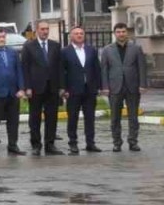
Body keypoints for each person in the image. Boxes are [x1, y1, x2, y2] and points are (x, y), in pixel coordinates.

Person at [100, 22, 149, 152]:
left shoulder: (136, 48)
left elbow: (142, 67)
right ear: (114, 34)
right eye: (118, 32)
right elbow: (104, 70)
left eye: (123, 31)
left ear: (127, 33)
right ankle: (117, 142)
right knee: (115, 117)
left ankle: (133, 142)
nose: (121, 34)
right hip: (114, 87)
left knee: (133, 116)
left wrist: (143, 84)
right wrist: (105, 87)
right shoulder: (107, 50)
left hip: (132, 87)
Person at [20, 21, 64, 156]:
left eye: (47, 29)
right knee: (35, 117)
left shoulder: (55, 46)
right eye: (42, 29)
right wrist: (27, 87)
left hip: (52, 87)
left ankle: (50, 144)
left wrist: (61, 86)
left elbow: (60, 68)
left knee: (52, 117)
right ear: (37, 30)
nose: (45, 31)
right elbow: (25, 68)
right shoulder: (29, 46)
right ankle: (36, 145)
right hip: (35, 87)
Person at [60, 26, 102, 155]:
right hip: (72, 91)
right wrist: (63, 89)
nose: (79, 35)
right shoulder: (65, 52)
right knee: (72, 118)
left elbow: (97, 69)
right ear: (71, 36)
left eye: (81, 33)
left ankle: (91, 143)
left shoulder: (91, 50)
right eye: (76, 33)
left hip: (89, 90)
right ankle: (73, 143)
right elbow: (62, 72)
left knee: (90, 118)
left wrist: (99, 86)